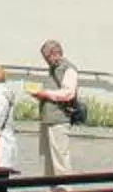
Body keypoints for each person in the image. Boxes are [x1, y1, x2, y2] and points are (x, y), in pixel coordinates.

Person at [33, 40, 82, 180]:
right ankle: (51, 189)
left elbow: (68, 93)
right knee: (47, 157)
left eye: (47, 58)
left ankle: (64, 191)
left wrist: (45, 94)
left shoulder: (68, 69)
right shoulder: (53, 69)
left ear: (55, 53)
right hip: (48, 118)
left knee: (60, 156)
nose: (46, 61)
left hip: (59, 118)